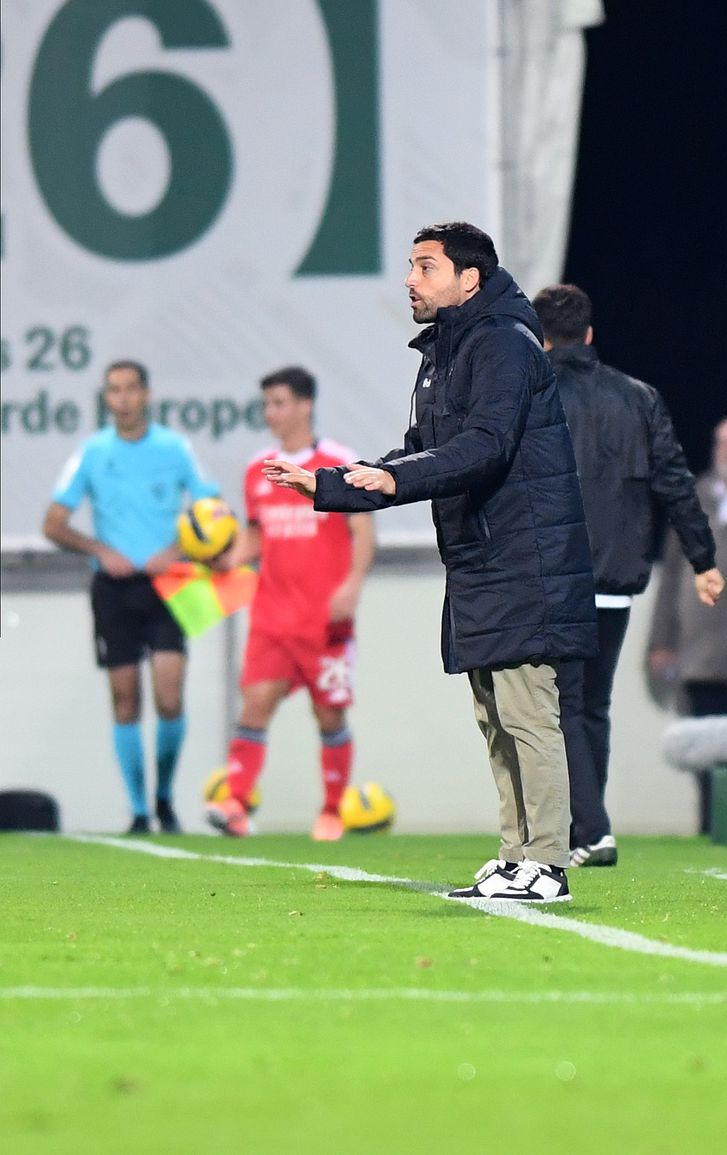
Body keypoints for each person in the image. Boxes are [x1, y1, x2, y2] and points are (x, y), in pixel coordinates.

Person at [263, 222, 597, 903]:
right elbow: (417, 450)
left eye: (425, 267)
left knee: (530, 714)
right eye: (411, 266)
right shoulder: (447, 351)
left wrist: (393, 480)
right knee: (494, 715)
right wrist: (330, 483)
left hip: (522, 555)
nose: (410, 280)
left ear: (468, 279)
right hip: (479, 557)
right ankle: (515, 856)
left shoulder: (503, 342)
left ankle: (549, 863)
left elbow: (488, 445)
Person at [531, 284, 724, 866]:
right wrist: (704, 560)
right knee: (592, 706)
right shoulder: (639, 397)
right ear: (590, 335)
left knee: (561, 708)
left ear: (541, 338)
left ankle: (590, 831)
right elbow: (675, 481)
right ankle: (587, 829)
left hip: (554, 574)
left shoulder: (532, 394)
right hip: (616, 576)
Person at [43, 360, 220, 834]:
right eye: (113, 390)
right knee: (125, 700)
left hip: (172, 582)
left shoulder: (175, 448)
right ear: (106, 398)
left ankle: (164, 797)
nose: (121, 398)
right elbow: (53, 523)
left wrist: (179, 549)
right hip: (113, 589)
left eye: (129, 389)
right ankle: (139, 809)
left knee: (169, 695)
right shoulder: (91, 453)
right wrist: (99, 548)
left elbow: (215, 511)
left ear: (146, 394)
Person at [205, 367, 376, 842]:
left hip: (324, 619)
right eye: (266, 405)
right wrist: (225, 559)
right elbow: (256, 535)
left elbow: (362, 529)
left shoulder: (338, 462)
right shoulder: (257, 469)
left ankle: (331, 812)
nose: (271, 414)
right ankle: (235, 804)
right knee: (255, 705)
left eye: (279, 403)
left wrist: (353, 585)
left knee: (329, 715)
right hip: (272, 616)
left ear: (305, 404)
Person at [647, 414, 727, 831]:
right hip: (701, 656)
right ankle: (710, 828)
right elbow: (671, 581)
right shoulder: (697, 498)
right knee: (705, 755)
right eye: (721, 443)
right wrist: (660, 641)